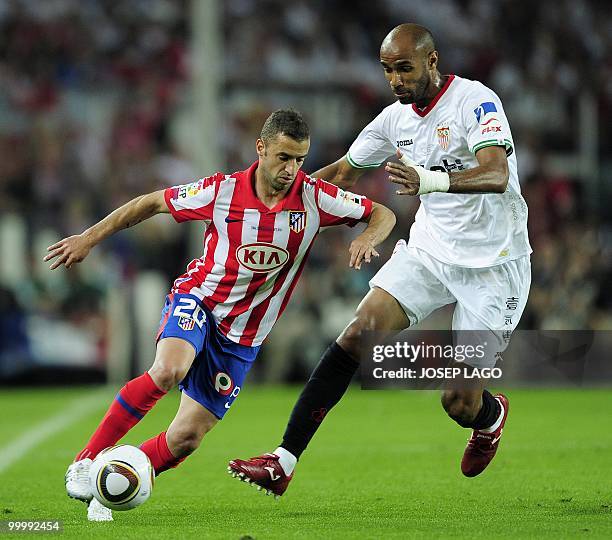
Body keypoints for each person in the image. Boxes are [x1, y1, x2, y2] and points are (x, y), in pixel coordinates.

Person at [45, 109, 396, 521]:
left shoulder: (315, 197)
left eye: (300, 159)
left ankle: (115, 482)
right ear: (261, 148)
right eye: (284, 157)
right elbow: (152, 203)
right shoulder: (222, 191)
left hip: (244, 337)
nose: (292, 169)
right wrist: (89, 238)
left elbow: (382, 213)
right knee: (168, 370)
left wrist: (369, 236)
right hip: (200, 301)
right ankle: (87, 460)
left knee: (186, 437)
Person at [229, 23, 532, 496]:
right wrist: (272, 201)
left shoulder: (476, 101)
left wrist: (428, 182)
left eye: (404, 68)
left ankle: (490, 417)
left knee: (458, 403)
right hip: (430, 252)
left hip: (494, 265)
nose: (395, 79)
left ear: (432, 62)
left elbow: (495, 172)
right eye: (388, 70)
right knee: (357, 331)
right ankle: (283, 461)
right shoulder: (393, 120)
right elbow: (343, 174)